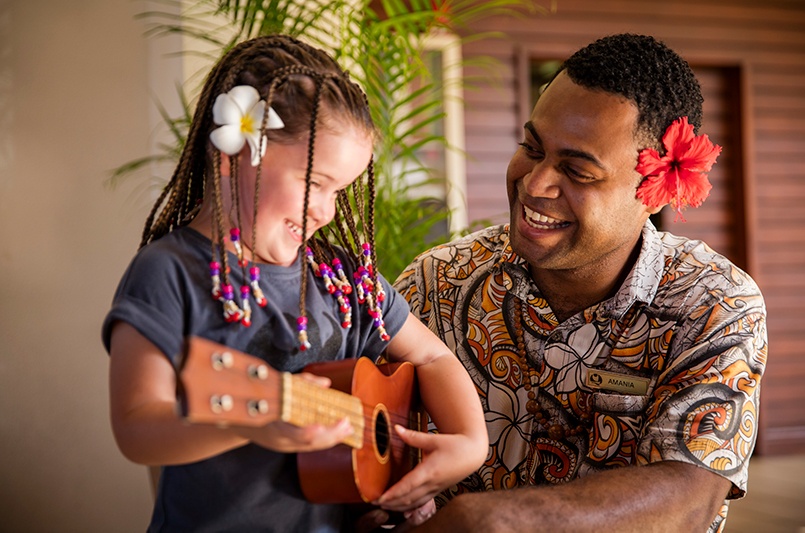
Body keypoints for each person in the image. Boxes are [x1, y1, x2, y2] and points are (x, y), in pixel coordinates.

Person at [101, 34, 487, 532]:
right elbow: (137, 426)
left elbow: (432, 357)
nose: (327, 211)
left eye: (341, 191)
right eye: (316, 183)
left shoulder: (344, 280)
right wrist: (253, 421)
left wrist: (467, 444)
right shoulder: (169, 273)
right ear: (235, 154)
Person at [393, 33, 767, 532]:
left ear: (653, 191)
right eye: (532, 147)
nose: (535, 183)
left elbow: (689, 495)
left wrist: (500, 522)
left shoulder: (714, 303)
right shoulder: (436, 283)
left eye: (577, 171)